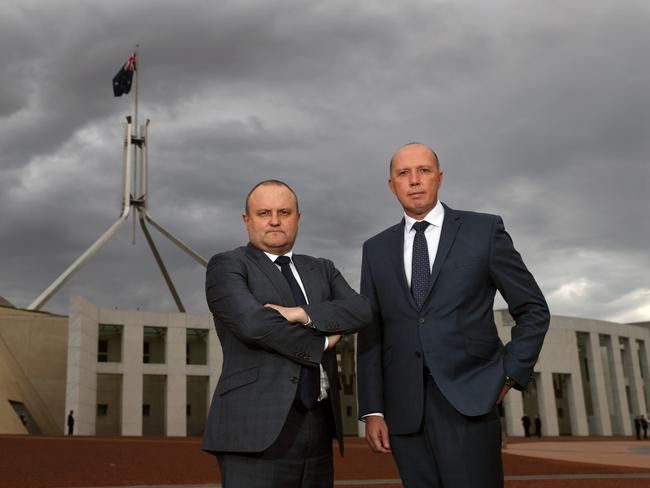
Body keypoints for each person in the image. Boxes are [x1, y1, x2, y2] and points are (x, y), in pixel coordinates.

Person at [357, 143, 550, 488]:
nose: (414, 181)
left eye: (424, 171)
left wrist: (508, 374)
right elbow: (372, 334)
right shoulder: (374, 249)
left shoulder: (484, 230)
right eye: (403, 173)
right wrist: (373, 409)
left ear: (439, 178)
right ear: (391, 185)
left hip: (470, 399)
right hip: (404, 409)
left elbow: (533, 309)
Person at [202, 179, 371, 488]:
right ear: (247, 220)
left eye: (284, 211)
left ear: (298, 217)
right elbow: (254, 325)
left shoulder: (322, 268)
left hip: (318, 425)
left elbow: (361, 310)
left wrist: (302, 314)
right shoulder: (227, 266)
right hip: (253, 431)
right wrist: (324, 339)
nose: (275, 220)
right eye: (264, 212)